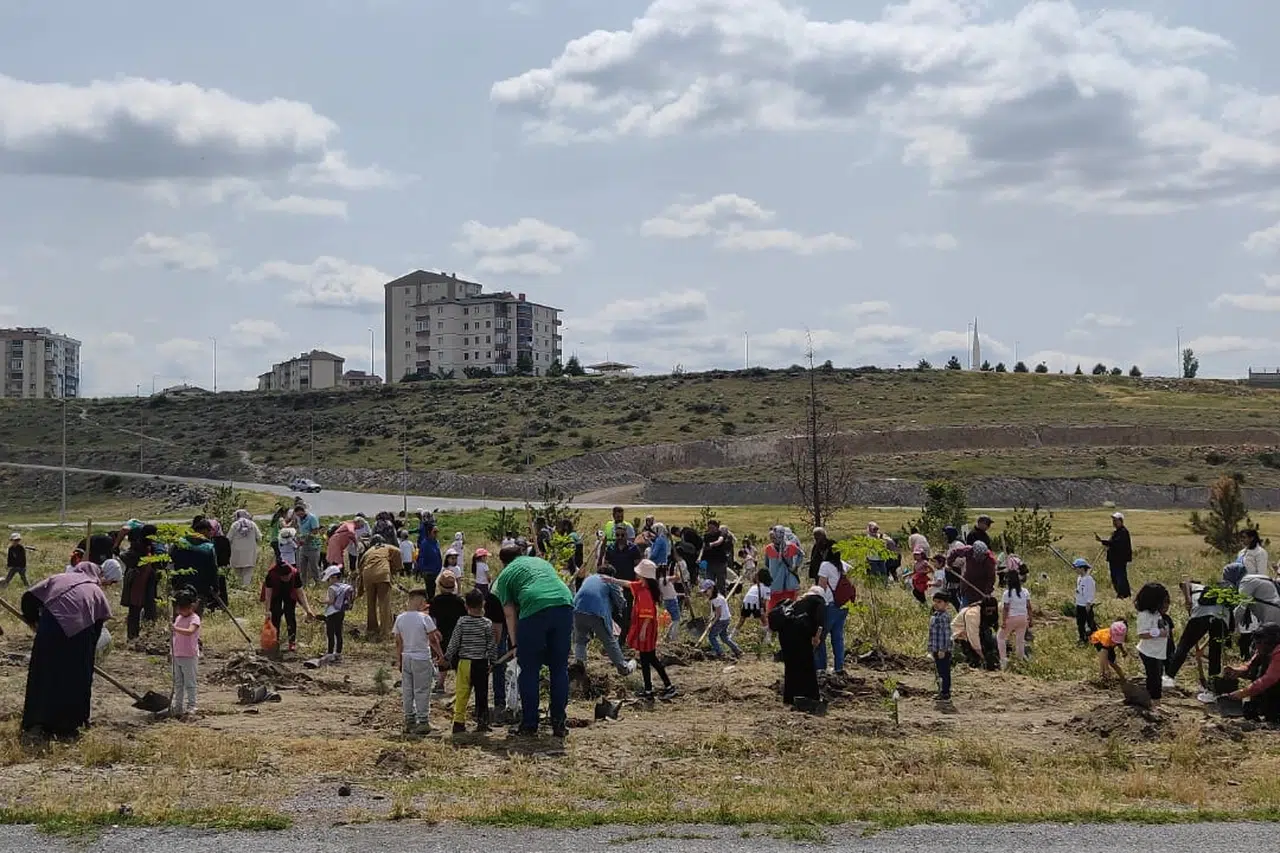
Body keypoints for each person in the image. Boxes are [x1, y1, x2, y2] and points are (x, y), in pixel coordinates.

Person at [20, 562, 112, 740]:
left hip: (50, 628)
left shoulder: (58, 578)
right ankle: (69, 726)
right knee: (75, 679)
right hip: (79, 635)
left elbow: (29, 597)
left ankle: (38, 722)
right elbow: (97, 630)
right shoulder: (96, 591)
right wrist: (87, 657)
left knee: (43, 675)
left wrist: (33, 621)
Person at [492, 546, 575, 738]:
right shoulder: (540, 561)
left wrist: (515, 644)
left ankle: (529, 724)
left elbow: (509, 613)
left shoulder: (504, 576)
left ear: (503, 562)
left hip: (534, 608)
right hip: (564, 603)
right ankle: (559, 723)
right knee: (559, 668)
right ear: (521, 555)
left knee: (529, 669)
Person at [1168, 565, 1237, 700]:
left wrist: (1188, 600)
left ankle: (1168, 678)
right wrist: (1202, 647)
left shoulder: (1195, 586)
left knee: (1184, 645)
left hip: (1201, 614)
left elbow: (1184, 582)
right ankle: (1211, 690)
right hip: (1221, 618)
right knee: (1215, 653)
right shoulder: (1214, 591)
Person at [393, 589, 445, 736]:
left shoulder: (400, 618)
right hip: (421, 657)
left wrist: (399, 660)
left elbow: (398, 642)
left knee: (408, 690)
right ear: (421, 601)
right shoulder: (424, 618)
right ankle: (423, 721)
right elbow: (433, 640)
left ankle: (409, 719)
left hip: (407, 657)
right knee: (422, 690)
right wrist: (441, 655)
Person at [447, 589, 499, 734]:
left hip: (464, 662)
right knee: (482, 694)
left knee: (462, 692)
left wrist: (447, 657)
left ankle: (458, 722)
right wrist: (493, 661)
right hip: (481, 663)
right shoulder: (487, 623)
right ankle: (482, 722)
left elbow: (454, 642)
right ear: (483, 604)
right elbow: (491, 645)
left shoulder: (462, 622)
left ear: (466, 605)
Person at [572, 567, 635, 676]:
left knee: (580, 640)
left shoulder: (589, 578)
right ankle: (623, 668)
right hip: (597, 612)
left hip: (577, 609)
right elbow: (620, 602)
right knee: (609, 641)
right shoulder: (609, 580)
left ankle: (580, 664)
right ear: (611, 575)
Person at [633, 562, 678, 697]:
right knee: (648, 659)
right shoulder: (644, 587)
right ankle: (651, 689)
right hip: (648, 629)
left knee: (649, 659)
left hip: (647, 630)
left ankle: (664, 687)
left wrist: (642, 631)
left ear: (643, 575)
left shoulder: (645, 592)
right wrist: (612, 580)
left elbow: (648, 614)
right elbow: (628, 584)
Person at [776, 586, 825, 706]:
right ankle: (810, 696)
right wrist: (816, 638)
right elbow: (820, 624)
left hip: (785, 636)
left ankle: (789, 698)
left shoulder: (796, 602)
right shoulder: (818, 602)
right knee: (807, 667)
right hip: (801, 637)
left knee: (791, 667)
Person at [1222, 624, 1280, 723]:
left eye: (1260, 642)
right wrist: (1236, 671)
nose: (1257, 645)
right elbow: (1250, 667)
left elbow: (1269, 679)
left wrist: (1243, 692)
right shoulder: (1264, 650)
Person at [262, 557, 315, 652]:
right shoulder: (271, 575)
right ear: (279, 576)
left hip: (289, 593)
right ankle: (275, 641)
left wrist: (308, 609)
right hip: (276, 593)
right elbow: (268, 594)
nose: (286, 578)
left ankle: (292, 641)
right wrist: (267, 611)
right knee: (275, 615)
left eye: (288, 576)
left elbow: (300, 593)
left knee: (290, 615)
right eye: (284, 577)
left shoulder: (295, 573)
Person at [356, 535, 401, 640]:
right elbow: (398, 551)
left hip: (367, 575)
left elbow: (360, 568)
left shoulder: (368, 552)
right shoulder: (386, 547)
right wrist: (396, 568)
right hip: (382, 574)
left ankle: (372, 629)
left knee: (371, 603)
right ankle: (385, 631)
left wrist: (360, 589)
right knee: (384, 603)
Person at [430, 574, 468, 680]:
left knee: (442, 658)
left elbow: (432, 620)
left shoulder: (435, 601)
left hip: (441, 634)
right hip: (457, 635)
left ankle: (441, 682)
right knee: (457, 661)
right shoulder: (459, 601)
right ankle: (460, 683)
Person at [170, 590, 202, 719]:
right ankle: (178, 706)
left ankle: (192, 705)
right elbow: (174, 637)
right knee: (178, 683)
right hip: (177, 654)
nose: (180, 611)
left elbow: (190, 631)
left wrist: (175, 628)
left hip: (189, 655)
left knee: (190, 682)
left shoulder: (194, 618)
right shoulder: (178, 618)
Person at [815, 558, 847, 674]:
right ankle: (839, 668)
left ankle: (820, 667)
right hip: (843, 605)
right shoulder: (844, 565)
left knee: (820, 636)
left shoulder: (825, 565)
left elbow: (821, 587)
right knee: (838, 638)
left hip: (829, 605)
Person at [764, 526, 804, 616]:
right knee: (773, 606)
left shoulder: (790, 546)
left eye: (775, 537)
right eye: (772, 538)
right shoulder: (769, 548)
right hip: (775, 582)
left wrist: (796, 566)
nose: (773, 539)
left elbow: (801, 554)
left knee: (789, 605)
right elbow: (767, 563)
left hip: (788, 581)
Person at [997, 569, 1031, 668]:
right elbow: (1029, 606)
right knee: (1020, 640)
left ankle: (1003, 660)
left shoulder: (1007, 593)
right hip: (1023, 618)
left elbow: (1006, 608)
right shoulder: (1025, 591)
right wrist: (1031, 619)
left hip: (1012, 618)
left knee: (1000, 637)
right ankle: (1020, 660)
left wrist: (1003, 621)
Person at [703, 578, 742, 661]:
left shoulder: (716, 599)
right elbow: (717, 613)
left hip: (721, 620)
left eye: (706, 591)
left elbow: (718, 615)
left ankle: (720, 653)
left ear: (712, 588)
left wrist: (711, 625)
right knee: (724, 638)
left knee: (711, 636)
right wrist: (711, 619)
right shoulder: (719, 596)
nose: (705, 593)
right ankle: (737, 650)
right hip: (726, 618)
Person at [322, 565, 355, 661]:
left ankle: (330, 653)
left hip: (331, 613)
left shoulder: (332, 588)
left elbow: (331, 601)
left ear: (334, 577)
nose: (328, 581)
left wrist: (322, 601)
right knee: (339, 632)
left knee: (330, 633)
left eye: (329, 578)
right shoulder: (344, 586)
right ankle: (338, 653)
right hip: (341, 612)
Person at [1097, 512, 1133, 599]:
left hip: (1120, 559)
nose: (1114, 522)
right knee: (1115, 577)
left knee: (1120, 577)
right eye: (1113, 521)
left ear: (1121, 521)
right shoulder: (1116, 532)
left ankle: (1124, 594)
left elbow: (1116, 543)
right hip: (1113, 559)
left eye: (1115, 520)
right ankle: (1120, 593)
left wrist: (1103, 541)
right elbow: (1112, 543)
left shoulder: (1123, 532)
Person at [928, 591, 954, 702]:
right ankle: (941, 690)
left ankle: (945, 692)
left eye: (939, 602)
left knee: (944, 672)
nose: (936, 604)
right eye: (935, 602)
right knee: (939, 671)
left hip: (943, 650)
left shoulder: (944, 617)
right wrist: (931, 648)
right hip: (936, 648)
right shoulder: (935, 615)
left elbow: (946, 635)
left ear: (946, 604)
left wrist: (943, 649)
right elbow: (932, 634)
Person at [228, 510, 262, 588]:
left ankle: (239, 587)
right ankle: (246, 587)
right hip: (250, 553)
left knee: (237, 572)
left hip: (236, 553)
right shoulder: (253, 524)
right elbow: (259, 537)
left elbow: (228, 538)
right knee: (248, 571)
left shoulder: (234, 525)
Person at [736, 568, 771, 642]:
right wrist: (766, 612)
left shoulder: (754, 586)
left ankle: (733, 634)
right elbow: (765, 602)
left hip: (746, 602)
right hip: (756, 603)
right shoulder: (767, 588)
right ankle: (767, 638)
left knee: (742, 619)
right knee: (764, 621)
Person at [293, 501, 323, 585]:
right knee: (302, 567)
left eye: (301, 514)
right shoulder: (299, 519)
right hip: (303, 546)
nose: (300, 516)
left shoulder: (312, 518)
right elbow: (300, 530)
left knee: (313, 567)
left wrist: (305, 538)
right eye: (298, 515)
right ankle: (303, 584)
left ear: (304, 511)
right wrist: (298, 538)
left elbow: (315, 531)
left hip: (313, 546)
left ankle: (318, 583)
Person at [701, 520, 731, 594]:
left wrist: (711, 544)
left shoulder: (721, 534)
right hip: (710, 563)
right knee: (709, 582)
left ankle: (721, 596)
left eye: (712, 528)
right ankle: (712, 597)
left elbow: (719, 541)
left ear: (717, 527)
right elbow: (703, 547)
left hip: (720, 562)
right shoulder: (706, 536)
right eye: (709, 528)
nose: (710, 529)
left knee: (721, 583)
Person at [1073, 558, 1098, 644]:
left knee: (1090, 622)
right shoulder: (1079, 578)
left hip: (1086, 605)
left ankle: (1095, 638)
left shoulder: (1089, 579)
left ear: (1082, 568)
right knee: (1080, 623)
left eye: (1076, 568)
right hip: (1079, 604)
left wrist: (1088, 602)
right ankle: (1082, 638)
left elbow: (1090, 591)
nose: (1075, 570)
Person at [415, 522, 442, 598]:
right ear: (429, 532)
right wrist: (423, 571)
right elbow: (421, 558)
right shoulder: (425, 544)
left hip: (436, 572)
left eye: (437, 532)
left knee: (433, 590)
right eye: (434, 532)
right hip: (429, 573)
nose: (436, 534)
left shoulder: (436, 542)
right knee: (430, 592)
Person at [658, 562, 681, 642]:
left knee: (673, 619)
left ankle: (667, 636)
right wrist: (676, 569)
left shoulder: (660, 580)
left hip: (666, 601)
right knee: (676, 619)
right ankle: (673, 638)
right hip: (672, 601)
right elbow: (678, 577)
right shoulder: (665, 579)